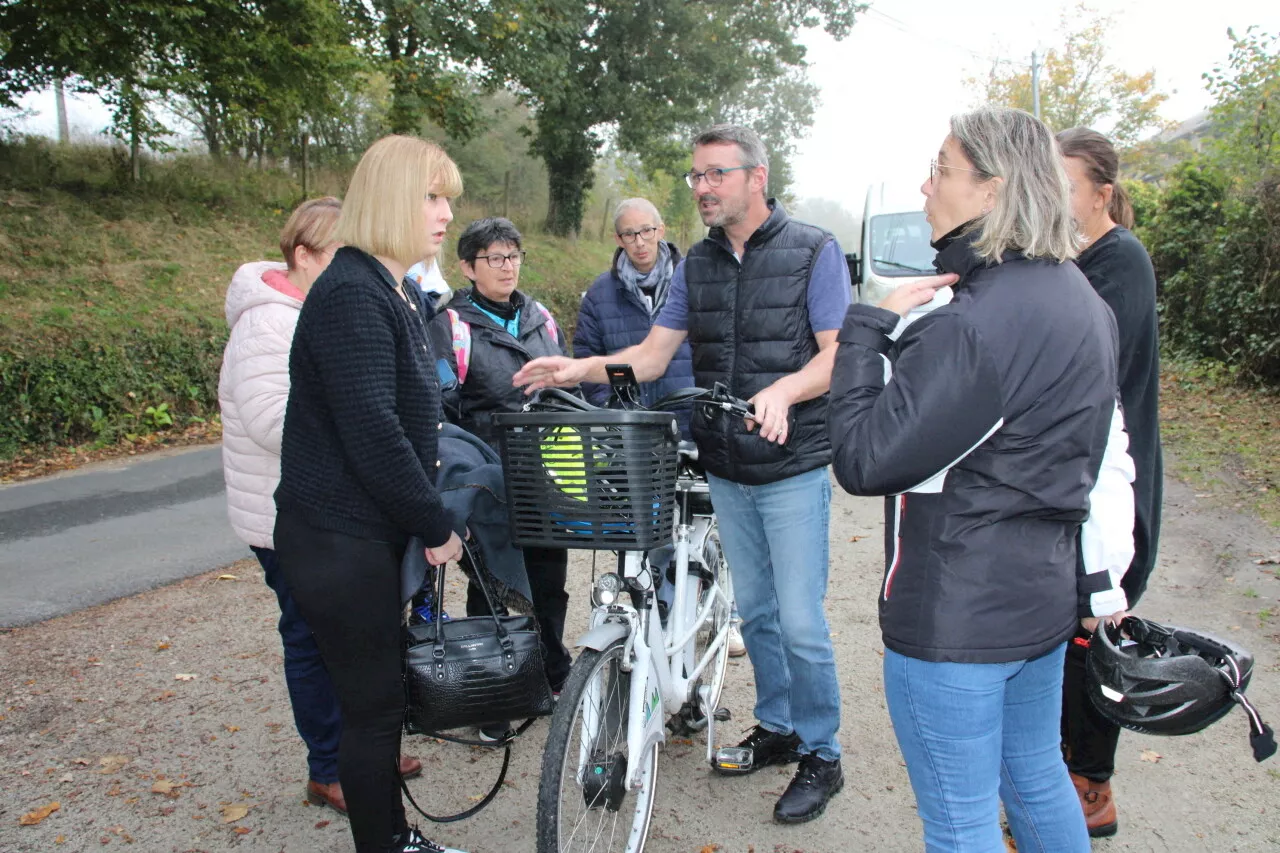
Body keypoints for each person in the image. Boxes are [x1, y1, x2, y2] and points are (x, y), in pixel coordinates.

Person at [514, 124, 850, 825]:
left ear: (757, 176)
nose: (701, 187)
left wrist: (786, 390)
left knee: (800, 620)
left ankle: (822, 751)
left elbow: (835, 356)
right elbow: (653, 354)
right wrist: (575, 368)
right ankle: (779, 726)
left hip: (791, 466)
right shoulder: (696, 264)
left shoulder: (813, 250)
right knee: (755, 611)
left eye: (715, 174)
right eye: (695, 176)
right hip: (726, 463)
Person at [826, 106, 1136, 853]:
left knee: (962, 821)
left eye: (941, 169)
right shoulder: (1081, 301)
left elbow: (865, 458)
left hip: (956, 619)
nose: (925, 186)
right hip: (1036, 605)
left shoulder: (978, 321)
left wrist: (865, 331)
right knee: (1034, 775)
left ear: (993, 191)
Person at [273, 135, 468, 853]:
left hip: (360, 533)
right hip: (336, 536)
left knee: (379, 705)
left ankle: (394, 837)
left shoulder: (388, 285)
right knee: (373, 710)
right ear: (390, 200)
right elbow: (374, 432)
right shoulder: (353, 292)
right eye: (431, 196)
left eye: (447, 196)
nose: (446, 212)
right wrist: (433, 518)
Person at [218, 198, 427, 817]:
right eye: (337, 252)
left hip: (336, 509)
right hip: (287, 515)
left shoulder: (328, 308)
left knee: (354, 639)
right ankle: (329, 766)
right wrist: (363, 422)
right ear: (302, 255)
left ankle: (362, 751)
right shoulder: (267, 323)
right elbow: (268, 420)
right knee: (312, 639)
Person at [575, 198, 747, 658]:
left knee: (715, 526)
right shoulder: (600, 294)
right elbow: (585, 357)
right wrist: (612, 407)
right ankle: (654, 618)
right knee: (648, 534)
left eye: (646, 231)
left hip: (694, 424)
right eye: (629, 234)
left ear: (661, 230)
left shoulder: (693, 280)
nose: (639, 242)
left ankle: (727, 614)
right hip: (635, 436)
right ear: (618, 239)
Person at [1058, 126, 1164, 838]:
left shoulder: (1117, 260)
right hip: (1081, 479)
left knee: (1095, 640)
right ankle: (1068, 784)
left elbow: (1088, 371)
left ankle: (1091, 791)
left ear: (1101, 194)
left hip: (1111, 491)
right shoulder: (1077, 259)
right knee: (1070, 640)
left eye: (1063, 187)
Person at [429, 217, 574, 739]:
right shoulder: (451, 326)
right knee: (489, 586)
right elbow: (440, 406)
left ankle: (552, 675)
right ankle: (493, 702)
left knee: (549, 579)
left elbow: (565, 384)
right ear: (468, 267)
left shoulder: (542, 318)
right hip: (486, 477)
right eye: (494, 257)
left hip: (544, 470)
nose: (507, 265)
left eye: (513, 255)